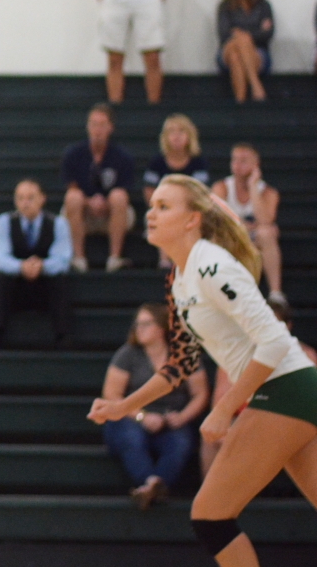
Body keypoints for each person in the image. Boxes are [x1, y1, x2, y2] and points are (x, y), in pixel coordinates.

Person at [87, 176, 317, 567]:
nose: (151, 214)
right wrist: (123, 406)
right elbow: (180, 363)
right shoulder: (178, 280)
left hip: (286, 387)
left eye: (164, 207)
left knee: (211, 516)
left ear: (192, 219)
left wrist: (225, 407)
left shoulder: (212, 266)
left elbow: (276, 340)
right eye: (152, 205)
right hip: (293, 390)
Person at [99, 303, 209, 509]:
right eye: (137, 324)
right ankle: (153, 484)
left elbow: (200, 393)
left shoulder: (183, 354)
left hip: (170, 419)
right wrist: (141, 416)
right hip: (132, 417)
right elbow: (111, 395)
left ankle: (150, 488)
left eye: (146, 324)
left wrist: (182, 417)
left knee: (180, 442)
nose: (138, 329)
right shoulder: (128, 354)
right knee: (130, 437)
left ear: (162, 327)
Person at [201, 300, 317, 478]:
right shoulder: (237, 355)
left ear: (287, 326)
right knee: (210, 435)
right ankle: (211, 493)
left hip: (288, 419)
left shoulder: (306, 355)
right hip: (247, 419)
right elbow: (220, 400)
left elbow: (309, 401)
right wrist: (224, 426)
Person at [0, 180, 73, 348]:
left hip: (44, 286)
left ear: (42, 198)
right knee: (0, 279)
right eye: (20, 198)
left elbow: (63, 259)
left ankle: (62, 336)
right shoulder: (3, 222)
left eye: (30, 198)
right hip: (17, 287)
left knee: (60, 280)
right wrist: (21, 267)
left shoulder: (58, 223)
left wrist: (41, 266)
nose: (25, 203)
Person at [61, 104, 135, 273]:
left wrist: (104, 203)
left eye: (102, 125)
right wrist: (89, 203)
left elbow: (124, 190)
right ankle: (78, 258)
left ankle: (114, 257)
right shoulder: (73, 154)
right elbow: (71, 187)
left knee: (119, 197)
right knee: (73, 197)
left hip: (112, 214)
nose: (97, 130)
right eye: (94, 124)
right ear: (87, 126)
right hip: (83, 214)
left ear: (110, 127)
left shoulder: (122, 157)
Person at [213, 144, 285, 306]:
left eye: (243, 161)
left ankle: (275, 293)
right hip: (231, 239)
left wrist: (253, 187)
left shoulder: (268, 192)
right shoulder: (221, 187)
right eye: (234, 160)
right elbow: (220, 219)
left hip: (254, 242)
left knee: (266, 233)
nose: (237, 165)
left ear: (255, 165)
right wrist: (247, 226)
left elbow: (265, 221)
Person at [217, 0, 274, 104]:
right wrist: (254, 32)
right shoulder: (225, 6)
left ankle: (240, 103)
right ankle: (256, 85)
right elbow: (224, 34)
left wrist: (245, 35)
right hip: (228, 48)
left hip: (257, 52)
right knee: (238, 45)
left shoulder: (263, 5)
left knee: (236, 55)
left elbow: (267, 34)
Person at [142, 114, 209, 206]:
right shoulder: (156, 162)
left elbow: (201, 192)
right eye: (172, 132)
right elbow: (149, 191)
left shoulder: (198, 162)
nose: (176, 136)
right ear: (165, 137)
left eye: (181, 131)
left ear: (190, 136)